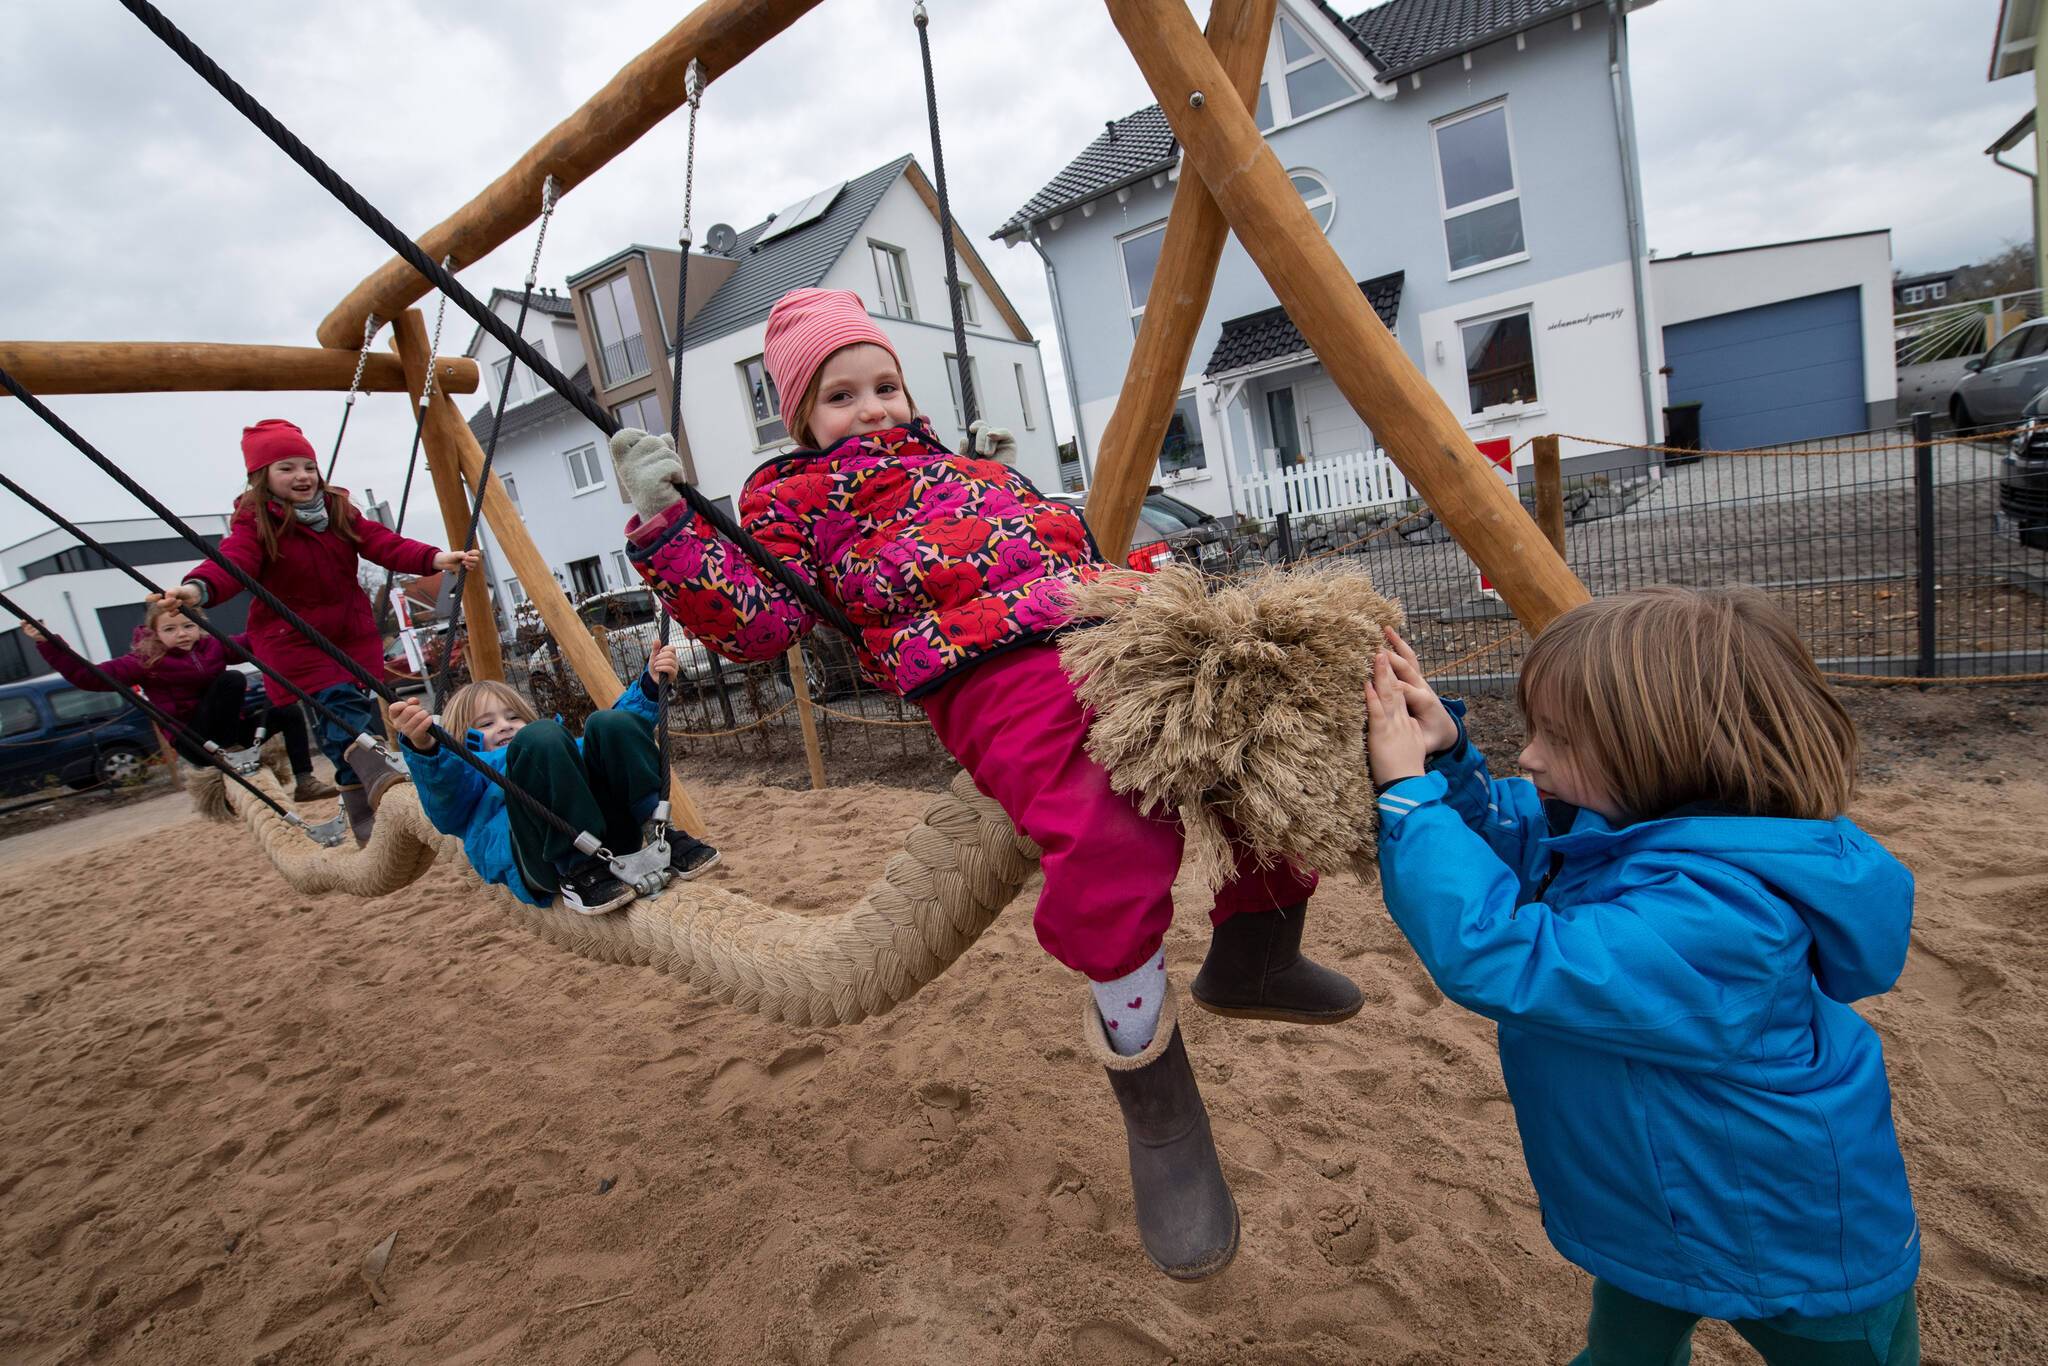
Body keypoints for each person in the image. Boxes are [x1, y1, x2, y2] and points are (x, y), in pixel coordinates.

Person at [612, 286, 1359, 1279]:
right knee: (1107, 836)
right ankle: (1158, 1105)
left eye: (883, 383)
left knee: (1254, 720)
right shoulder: (790, 500)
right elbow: (755, 621)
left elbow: (1065, 546)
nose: (871, 407)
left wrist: (1135, 576)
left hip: (1092, 626)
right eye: (839, 396)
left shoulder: (970, 468)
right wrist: (669, 521)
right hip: (985, 676)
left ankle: (1257, 948)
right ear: (799, 418)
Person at [1364, 590, 1920, 1365]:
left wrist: (1410, 801)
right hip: (1658, 1208)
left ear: (1663, 749)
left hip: (1791, 1236)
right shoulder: (1621, 831)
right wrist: (1450, 760)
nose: (1527, 756)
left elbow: (1505, 953)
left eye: (1556, 738)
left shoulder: (1731, 914)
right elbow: (1521, 852)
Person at [155, 419, 477, 844]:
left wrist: (433, 558)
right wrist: (199, 588)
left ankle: (361, 809)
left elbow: (383, 542)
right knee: (340, 711)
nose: (302, 476)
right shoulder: (257, 522)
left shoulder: (339, 510)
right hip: (294, 641)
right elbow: (234, 561)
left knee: (345, 722)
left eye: (308, 466)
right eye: (286, 467)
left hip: (348, 636)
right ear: (262, 477)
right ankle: (377, 779)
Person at [389, 643, 719, 916]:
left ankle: (659, 830)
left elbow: (615, 739)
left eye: (513, 716)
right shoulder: (468, 774)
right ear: (461, 738)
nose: (504, 726)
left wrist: (649, 685)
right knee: (540, 740)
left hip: (608, 839)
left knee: (609, 723)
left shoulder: (552, 748)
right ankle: (578, 871)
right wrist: (427, 747)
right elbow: (445, 800)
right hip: (546, 860)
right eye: (486, 723)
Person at [23, 601, 335, 800]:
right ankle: (231, 756)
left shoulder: (214, 647)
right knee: (233, 679)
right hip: (194, 738)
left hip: (229, 731)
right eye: (170, 629)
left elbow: (259, 640)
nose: (182, 634)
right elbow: (88, 676)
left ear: (200, 627)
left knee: (288, 709)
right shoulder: (145, 660)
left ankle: (304, 779)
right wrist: (48, 643)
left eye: (189, 626)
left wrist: (290, 618)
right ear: (155, 633)